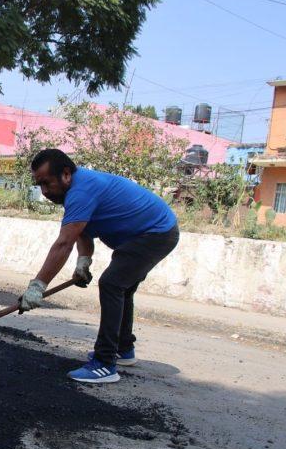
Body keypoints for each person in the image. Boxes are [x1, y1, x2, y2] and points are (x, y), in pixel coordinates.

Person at [19, 149, 180, 384]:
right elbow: (83, 230)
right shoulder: (77, 188)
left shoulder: (81, 192)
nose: (44, 192)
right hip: (145, 233)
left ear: (65, 174)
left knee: (112, 284)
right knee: (122, 287)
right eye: (39, 185)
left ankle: (105, 363)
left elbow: (64, 243)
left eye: (46, 183)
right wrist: (84, 261)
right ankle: (123, 349)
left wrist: (37, 286)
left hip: (156, 232)